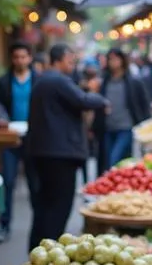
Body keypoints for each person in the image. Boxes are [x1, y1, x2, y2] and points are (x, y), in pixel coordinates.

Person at [27, 43, 107, 248]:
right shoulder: (57, 80)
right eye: (70, 60)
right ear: (58, 60)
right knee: (59, 205)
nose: (72, 64)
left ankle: (38, 247)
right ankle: (49, 248)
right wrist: (100, 98)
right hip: (59, 154)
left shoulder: (43, 81)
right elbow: (83, 99)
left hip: (43, 152)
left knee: (44, 204)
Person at [0, 41, 36, 244]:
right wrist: (0, 118)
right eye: (16, 57)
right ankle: (5, 225)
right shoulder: (3, 81)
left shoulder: (38, 80)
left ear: (30, 58)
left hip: (33, 137)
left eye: (23, 57)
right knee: (8, 181)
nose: (20, 60)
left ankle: (39, 226)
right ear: (12, 59)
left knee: (35, 182)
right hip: (10, 137)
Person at [95, 48, 152, 170]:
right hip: (108, 127)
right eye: (110, 59)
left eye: (116, 59)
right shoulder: (104, 82)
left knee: (114, 159)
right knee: (107, 161)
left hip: (125, 127)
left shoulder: (133, 82)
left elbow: (144, 104)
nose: (113, 62)